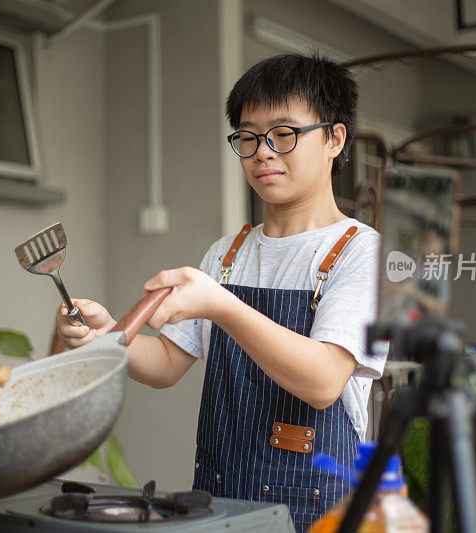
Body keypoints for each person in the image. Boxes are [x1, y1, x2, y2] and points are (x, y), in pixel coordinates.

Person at [56, 53, 384, 532]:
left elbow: (323, 382)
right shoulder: (227, 254)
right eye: (248, 137)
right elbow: (169, 364)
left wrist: (221, 305)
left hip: (320, 514)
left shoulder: (361, 252)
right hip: (219, 506)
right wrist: (109, 336)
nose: (263, 152)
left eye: (284, 133)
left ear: (335, 138)